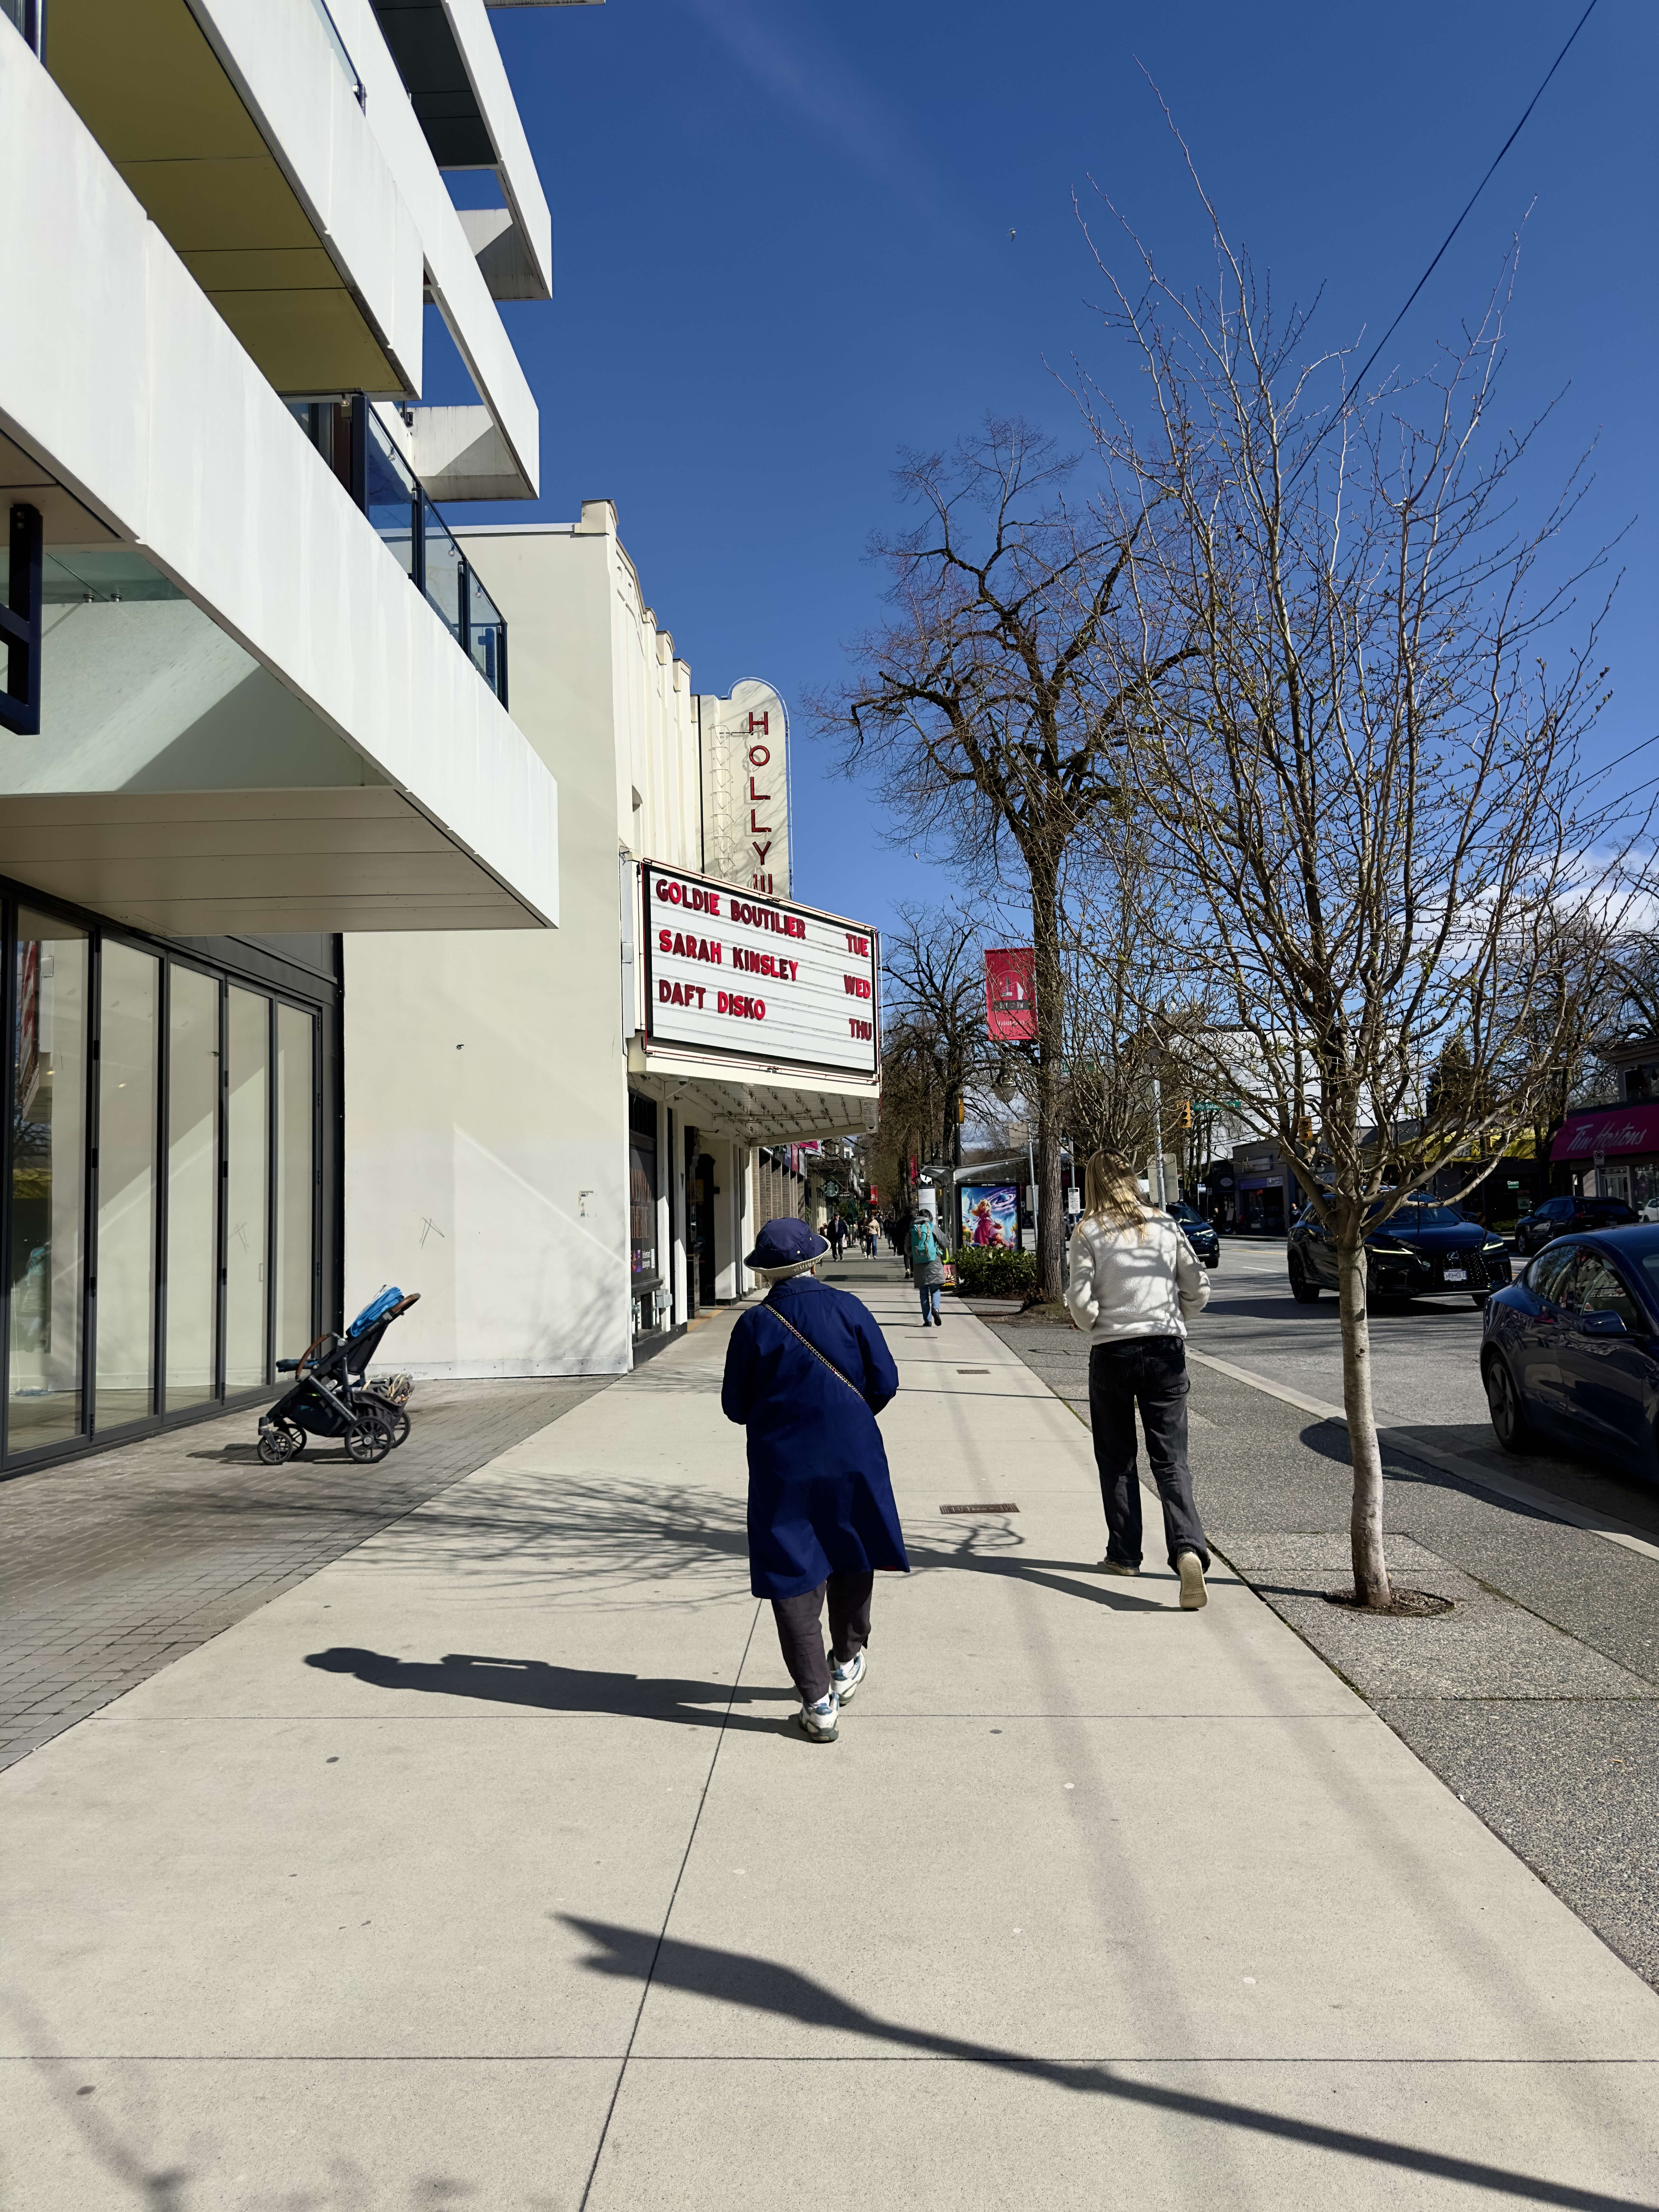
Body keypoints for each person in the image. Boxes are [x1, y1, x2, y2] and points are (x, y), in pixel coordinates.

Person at [722, 1218, 907, 1742]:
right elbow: (885, 1380)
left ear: (767, 1271)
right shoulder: (849, 1308)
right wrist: (848, 1413)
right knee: (853, 1548)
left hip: (783, 1462)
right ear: (814, 1259)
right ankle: (848, 1656)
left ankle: (817, 1699)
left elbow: (734, 1406)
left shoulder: (754, 1326)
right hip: (852, 1452)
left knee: (793, 1571)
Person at [1064, 1151, 1212, 1609]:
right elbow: (1198, 1286)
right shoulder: (1165, 1224)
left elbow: (1083, 1304)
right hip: (1165, 1350)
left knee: (1117, 1457)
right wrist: (1172, 1315)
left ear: (1093, 1184)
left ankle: (1124, 1554)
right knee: (1170, 1460)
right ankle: (1186, 1547)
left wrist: (1093, 1319)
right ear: (1132, 1179)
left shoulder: (1088, 1230)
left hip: (1113, 1352)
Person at [908, 1212, 948, 1326]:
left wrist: (916, 1256)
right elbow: (945, 1243)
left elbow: (907, 1249)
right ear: (930, 1217)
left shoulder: (913, 1230)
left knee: (924, 1293)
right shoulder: (933, 1227)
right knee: (935, 1289)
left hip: (919, 1265)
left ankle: (928, 1320)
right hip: (934, 1262)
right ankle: (936, 1309)